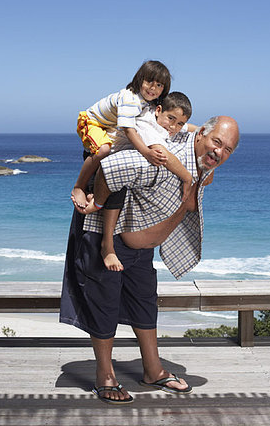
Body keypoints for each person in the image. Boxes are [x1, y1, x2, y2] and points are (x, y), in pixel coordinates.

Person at [60, 116, 240, 404]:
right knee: (103, 306)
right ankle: (105, 375)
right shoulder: (162, 159)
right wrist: (104, 233)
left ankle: (153, 370)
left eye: (228, 149)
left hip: (142, 251)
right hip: (111, 241)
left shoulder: (202, 164)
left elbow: (186, 131)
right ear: (202, 135)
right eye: (216, 142)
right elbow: (109, 168)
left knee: (145, 304)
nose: (220, 152)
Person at [84, 91, 197, 272]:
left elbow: (187, 127)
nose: (174, 127)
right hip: (105, 158)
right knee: (114, 194)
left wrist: (205, 131)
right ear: (158, 110)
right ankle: (107, 242)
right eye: (171, 119)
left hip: (116, 163)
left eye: (179, 123)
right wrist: (187, 177)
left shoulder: (166, 123)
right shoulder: (147, 123)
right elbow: (163, 155)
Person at [71, 60, 171, 213]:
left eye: (159, 85)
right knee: (104, 150)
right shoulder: (129, 98)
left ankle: (95, 193)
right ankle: (79, 186)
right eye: (149, 81)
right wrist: (147, 152)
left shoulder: (147, 102)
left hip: (109, 125)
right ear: (139, 79)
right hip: (92, 122)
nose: (153, 88)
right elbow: (129, 129)